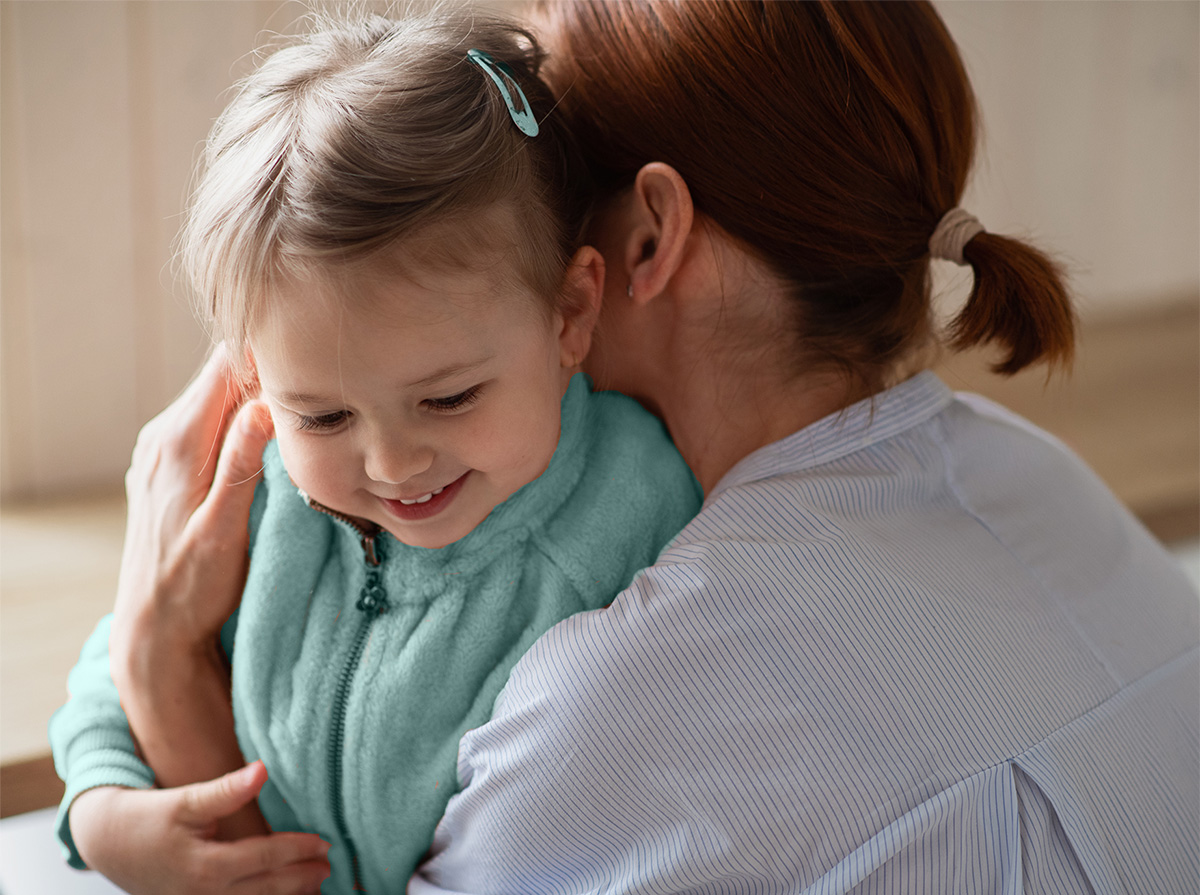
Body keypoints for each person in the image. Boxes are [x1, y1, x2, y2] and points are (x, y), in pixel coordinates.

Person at [59, 1, 1199, 892]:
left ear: (638, 240)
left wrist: (166, 673)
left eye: (561, 182)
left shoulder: (623, 690)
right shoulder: (1042, 480)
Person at [47, 9, 702, 894]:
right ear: (252, 376)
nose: (391, 466)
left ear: (570, 315)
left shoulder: (636, 524)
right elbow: (125, 642)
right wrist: (102, 805)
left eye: (450, 397)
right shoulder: (264, 485)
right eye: (321, 416)